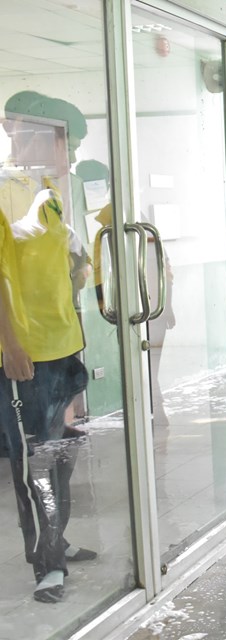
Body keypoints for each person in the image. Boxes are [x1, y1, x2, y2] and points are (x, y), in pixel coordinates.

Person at [0, 91, 95, 604]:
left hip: (62, 347)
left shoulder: (46, 192)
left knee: (60, 449)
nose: (72, 157)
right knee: (33, 458)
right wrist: (9, 344)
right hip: (26, 352)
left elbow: (71, 262)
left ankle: (55, 538)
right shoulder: (3, 191)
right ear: (24, 130)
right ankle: (46, 563)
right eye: (67, 144)